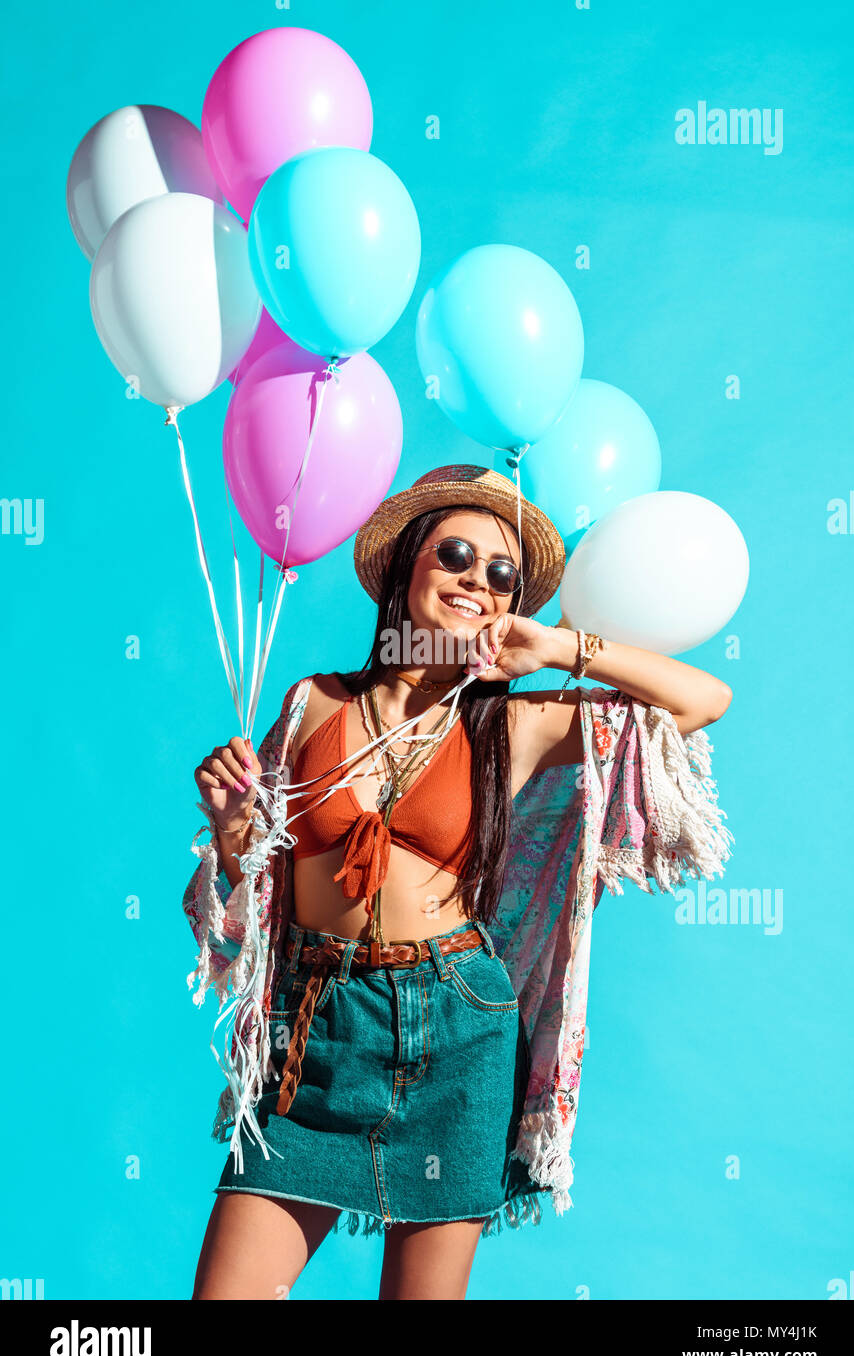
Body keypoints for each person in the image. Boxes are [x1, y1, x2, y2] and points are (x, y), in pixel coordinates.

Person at [183, 464, 734, 1300]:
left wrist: (557, 646)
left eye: (500, 574)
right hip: (318, 1027)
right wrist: (230, 827)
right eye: (455, 554)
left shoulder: (515, 722)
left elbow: (702, 699)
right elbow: (255, 884)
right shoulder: (315, 705)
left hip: (458, 1027)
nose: (476, 579)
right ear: (408, 565)